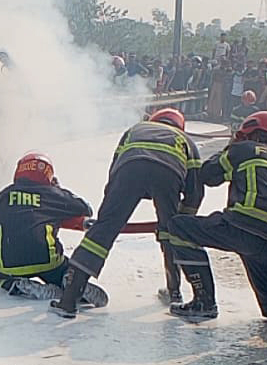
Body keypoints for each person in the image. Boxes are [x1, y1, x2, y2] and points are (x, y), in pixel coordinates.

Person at [51, 107, 202, 317]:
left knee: (101, 234)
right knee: (172, 234)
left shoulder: (135, 129)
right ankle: (175, 292)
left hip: (130, 170)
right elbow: (195, 189)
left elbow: (116, 166)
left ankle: (69, 301)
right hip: (168, 175)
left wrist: (110, 210)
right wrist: (181, 221)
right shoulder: (185, 140)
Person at [164, 111, 267, 322]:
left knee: (179, 227)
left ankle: (204, 301)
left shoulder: (244, 149)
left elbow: (208, 174)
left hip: (243, 225)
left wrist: (230, 146)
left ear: (250, 133)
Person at [0, 153, 107, 305]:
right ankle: (69, 281)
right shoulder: (52, 194)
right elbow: (85, 209)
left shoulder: (3, 196)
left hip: (11, 265)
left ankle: (18, 286)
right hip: (47, 261)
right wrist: (58, 189)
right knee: (60, 268)